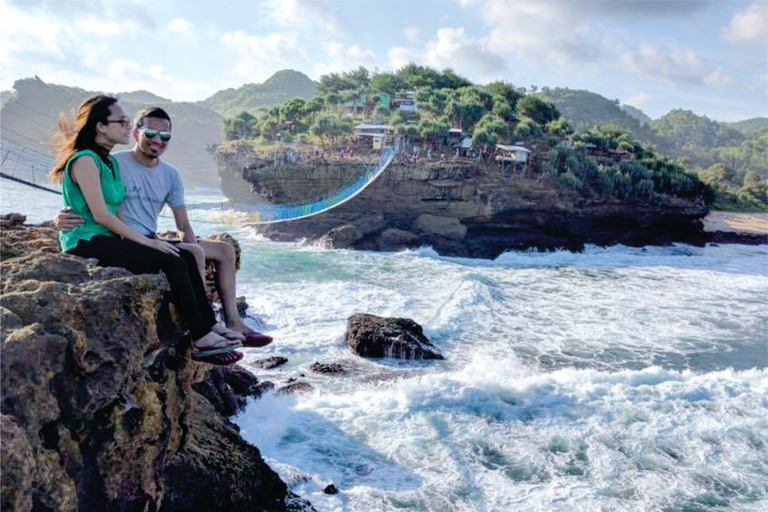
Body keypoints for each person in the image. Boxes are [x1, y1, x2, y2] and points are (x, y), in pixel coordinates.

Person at [54, 106, 273, 348]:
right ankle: (202, 328)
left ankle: (232, 322)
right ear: (137, 134)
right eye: (150, 134)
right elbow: (88, 200)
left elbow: (183, 224)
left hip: (149, 237)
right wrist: (60, 217)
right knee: (186, 257)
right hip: (123, 237)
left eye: (165, 136)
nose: (157, 140)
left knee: (221, 250)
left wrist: (188, 250)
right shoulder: (113, 163)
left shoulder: (170, 175)